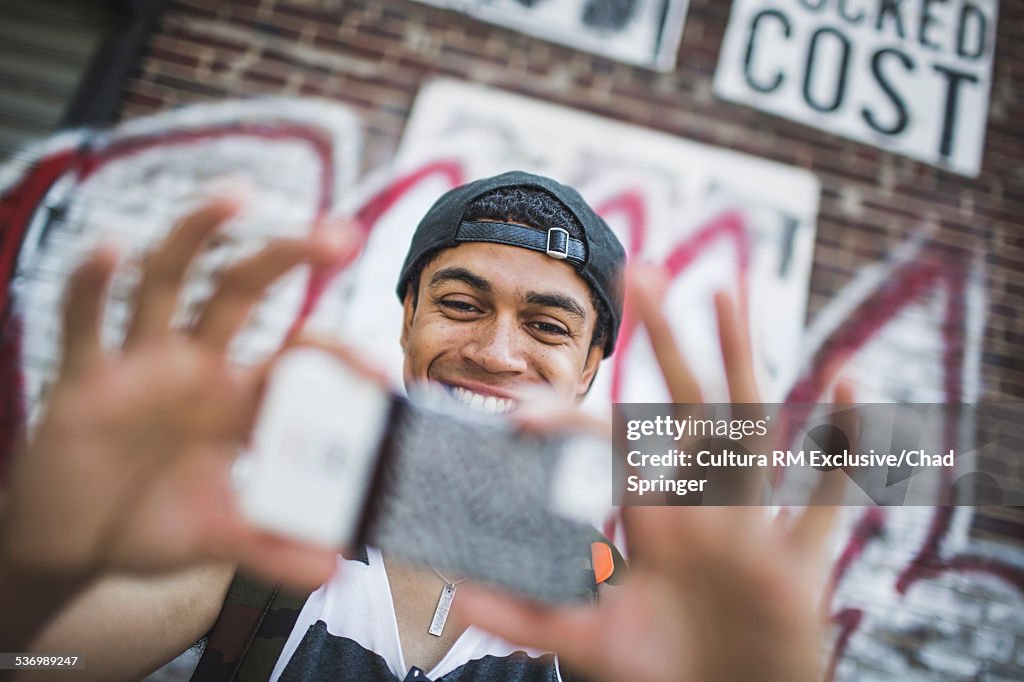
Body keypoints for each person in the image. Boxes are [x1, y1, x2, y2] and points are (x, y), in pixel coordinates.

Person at [0, 172, 841, 681]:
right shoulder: (266, 535)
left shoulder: (622, 612)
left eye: (548, 327)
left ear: (589, 367)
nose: (494, 351)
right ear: (407, 319)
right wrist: (33, 571)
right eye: (460, 305)